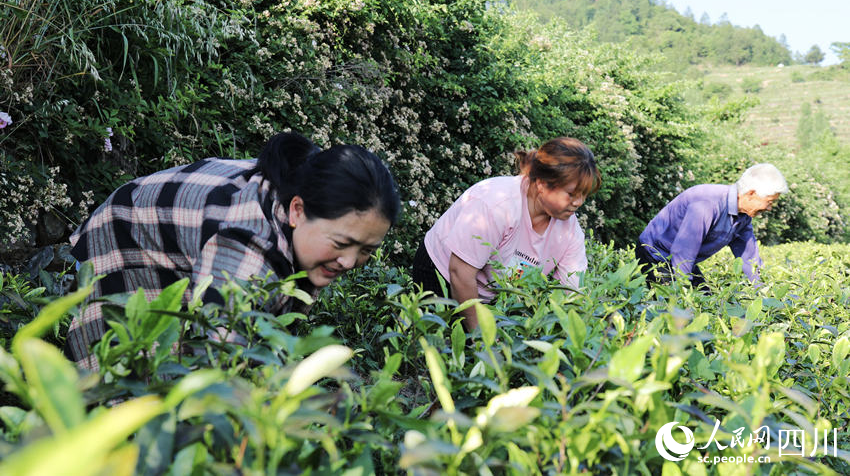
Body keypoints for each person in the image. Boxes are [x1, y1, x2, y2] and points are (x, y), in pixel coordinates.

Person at [65, 132, 400, 369]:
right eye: (341, 244)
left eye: (366, 250)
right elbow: (216, 358)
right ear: (297, 210)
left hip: (181, 239)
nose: (349, 261)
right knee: (127, 388)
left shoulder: (300, 199)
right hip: (123, 244)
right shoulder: (246, 250)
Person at [412, 137, 601, 329]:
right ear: (542, 184)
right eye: (571, 194)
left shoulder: (570, 232)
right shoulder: (496, 204)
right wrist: (481, 338)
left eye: (584, 194)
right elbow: (460, 272)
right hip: (441, 274)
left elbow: (572, 292)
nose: (579, 203)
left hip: (491, 294)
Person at [635, 163, 788, 289]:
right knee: (676, 312)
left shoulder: (744, 217)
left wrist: (763, 295)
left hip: (682, 260)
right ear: (751, 193)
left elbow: (749, 258)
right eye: (770, 202)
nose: (769, 208)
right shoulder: (707, 204)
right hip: (655, 254)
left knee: (707, 302)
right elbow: (683, 252)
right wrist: (682, 293)